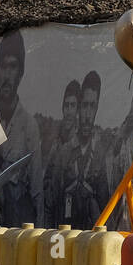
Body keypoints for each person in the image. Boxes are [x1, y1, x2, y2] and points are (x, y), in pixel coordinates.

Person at [0, 30, 43, 226]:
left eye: (13, 67)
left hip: (18, 226)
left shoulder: (28, 126)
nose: (7, 75)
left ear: (20, 73)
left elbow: (36, 189)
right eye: (2, 67)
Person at [64, 71, 112, 229]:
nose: (87, 114)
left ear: (97, 108)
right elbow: (52, 203)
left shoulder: (102, 154)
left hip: (92, 238)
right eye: (84, 105)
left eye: (92, 106)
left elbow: (106, 206)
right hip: (63, 237)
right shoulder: (64, 152)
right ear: (79, 107)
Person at [44, 79, 81, 227]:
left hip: (76, 219)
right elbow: (47, 182)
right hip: (55, 217)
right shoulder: (56, 144)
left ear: (78, 110)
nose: (69, 111)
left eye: (73, 106)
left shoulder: (82, 144)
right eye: (66, 106)